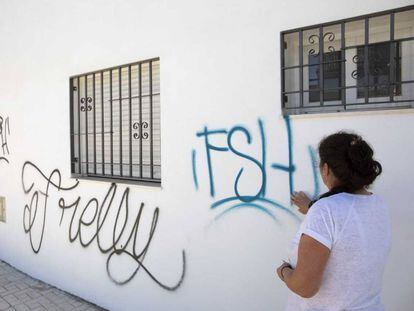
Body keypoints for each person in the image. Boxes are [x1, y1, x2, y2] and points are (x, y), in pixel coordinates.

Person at [276, 131, 391, 311]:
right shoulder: (377, 204)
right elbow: (348, 222)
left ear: (326, 168)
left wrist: (283, 271)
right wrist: (312, 207)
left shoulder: (325, 211)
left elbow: (305, 287)